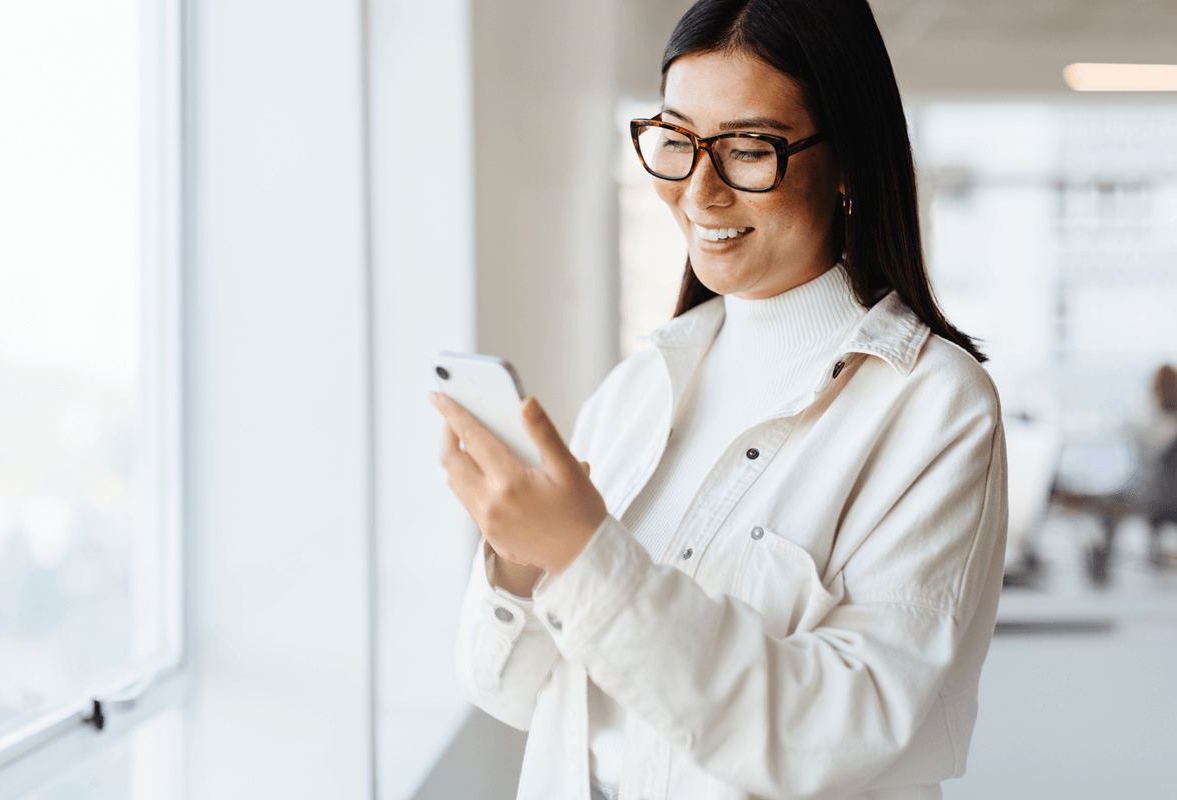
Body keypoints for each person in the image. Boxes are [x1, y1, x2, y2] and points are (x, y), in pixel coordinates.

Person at [431, 1, 1008, 798]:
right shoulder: (639, 388)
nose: (699, 190)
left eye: (747, 148)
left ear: (847, 160)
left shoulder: (936, 409)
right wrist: (523, 556)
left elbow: (834, 733)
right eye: (676, 140)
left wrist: (584, 553)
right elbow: (509, 690)